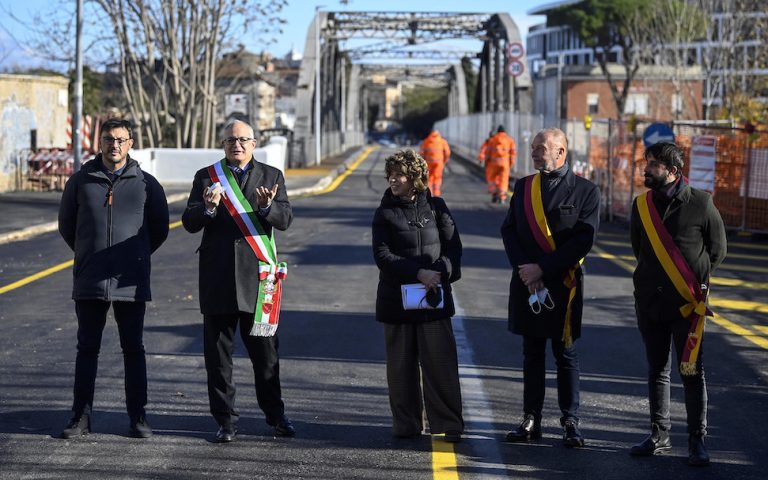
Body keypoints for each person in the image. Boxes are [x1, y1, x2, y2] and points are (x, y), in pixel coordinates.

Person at [182, 120, 295, 442]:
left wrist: (266, 207)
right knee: (218, 358)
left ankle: (276, 415)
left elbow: (285, 220)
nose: (238, 145)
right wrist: (206, 209)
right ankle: (225, 420)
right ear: (223, 143)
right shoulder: (206, 176)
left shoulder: (272, 176)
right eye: (232, 140)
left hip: (259, 281)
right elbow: (189, 222)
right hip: (217, 278)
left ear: (254, 144)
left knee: (266, 355)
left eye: (244, 140)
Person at [57, 118, 169, 439]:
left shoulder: (147, 184)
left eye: (121, 139)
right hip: (90, 282)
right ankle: (80, 418)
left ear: (130, 143)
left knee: (133, 349)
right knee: (86, 350)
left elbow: (158, 230)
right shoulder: (80, 182)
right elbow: (68, 227)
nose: (114, 145)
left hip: (130, 282)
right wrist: (89, 255)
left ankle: (138, 417)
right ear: (100, 142)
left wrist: (135, 258)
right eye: (108, 139)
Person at [628, 142, 726, 466]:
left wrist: (693, 279)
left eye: (653, 164)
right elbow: (638, 248)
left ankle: (697, 441)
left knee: (691, 372)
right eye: (647, 162)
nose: (646, 169)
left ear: (672, 171)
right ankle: (659, 434)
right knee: (657, 370)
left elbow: (717, 249)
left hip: (687, 306)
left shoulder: (701, 203)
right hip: (650, 303)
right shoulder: (640, 205)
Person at [500, 128, 599, 448]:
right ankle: (531, 419)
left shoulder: (586, 191)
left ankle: (571, 421)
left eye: (541, 148)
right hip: (528, 282)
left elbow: (583, 241)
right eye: (533, 148)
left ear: (561, 152)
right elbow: (510, 231)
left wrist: (543, 268)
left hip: (563, 285)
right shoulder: (523, 186)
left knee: (565, 354)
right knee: (531, 353)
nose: (534, 152)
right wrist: (527, 270)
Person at [372, 149, 464, 442]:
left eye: (398, 174)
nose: (392, 179)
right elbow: (382, 255)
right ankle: (406, 425)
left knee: (441, 363)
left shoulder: (437, 207)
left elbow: (454, 249)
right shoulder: (384, 213)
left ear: (415, 178)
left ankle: (449, 424)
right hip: (396, 300)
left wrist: (439, 272)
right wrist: (418, 273)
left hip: (433, 298)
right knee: (401, 367)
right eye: (390, 174)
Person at [482, 125, 517, 204]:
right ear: (504, 132)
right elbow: (513, 153)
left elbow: (487, 153)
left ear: (497, 131)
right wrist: (511, 164)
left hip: (493, 164)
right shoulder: (510, 140)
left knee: (493, 179)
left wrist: (486, 163)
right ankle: (502, 197)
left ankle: (494, 194)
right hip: (505, 164)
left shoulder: (492, 140)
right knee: (503, 180)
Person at [419, 129, 451, 196]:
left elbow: (421, 153)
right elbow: (447, 152)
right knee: (437, 178)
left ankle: (429, 194)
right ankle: (436, 195)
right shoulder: (442, 141)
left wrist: (423, 161)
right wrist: (445, 160)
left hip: (429, 163)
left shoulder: (426, 141)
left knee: (429, 179)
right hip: (439, 163)